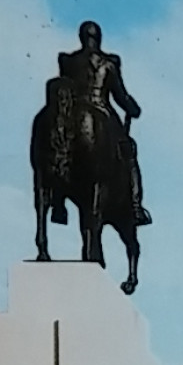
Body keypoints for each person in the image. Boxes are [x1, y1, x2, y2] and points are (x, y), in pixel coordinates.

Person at [55, 20, 150, 225]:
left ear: (81, 38)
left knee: (61, 150)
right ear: (99, 38)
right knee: (129, 151)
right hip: (102, 111)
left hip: (73, 113)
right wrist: (133, 109)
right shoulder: (110, 63)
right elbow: (120, 96)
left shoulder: (68, 61)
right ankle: (135, 206)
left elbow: (63, 91)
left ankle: (58, 201)